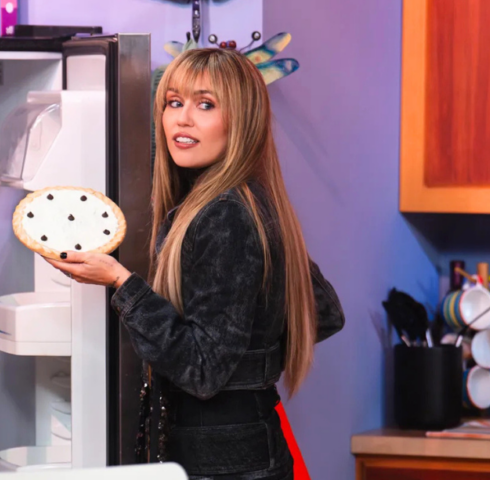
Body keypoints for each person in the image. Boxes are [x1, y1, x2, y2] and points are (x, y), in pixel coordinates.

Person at [46, 47, 345, 480]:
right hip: (247, 447)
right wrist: (251, 363)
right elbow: (323, 313)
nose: (182, 119)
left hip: (225, 462)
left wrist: (121, 282)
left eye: (205, 105)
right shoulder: (251, 201)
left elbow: (203, 370)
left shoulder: (224, 216)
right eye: (174, 102)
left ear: (241, 121)